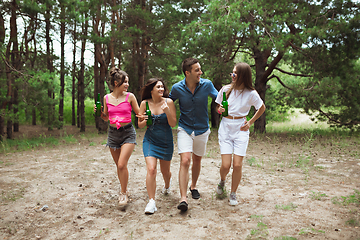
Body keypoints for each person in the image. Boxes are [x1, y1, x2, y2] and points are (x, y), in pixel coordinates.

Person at [169, 58, 218, 212]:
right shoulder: (177, 88)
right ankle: (183, 198)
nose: (200, 72)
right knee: (185, 160)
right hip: (185, 128)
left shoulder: (207, 85)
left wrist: (224, 106)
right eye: (197, 70)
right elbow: (168, 101)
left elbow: (220, 98)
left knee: (197, 159)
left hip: (202, 129)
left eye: (200, 69)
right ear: (187, 73)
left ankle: (193, 186)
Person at [215, 62, 266, 206]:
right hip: (225, 127)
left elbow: (261, 108)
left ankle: (233, 193)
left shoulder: (251, 93)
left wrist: (250, 122)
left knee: (237, 165)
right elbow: (219, 106)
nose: (232, 75)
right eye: (232, 72)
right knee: (226, 165)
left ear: (243, 75)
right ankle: (222, 181)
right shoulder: (225, 89)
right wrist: (220, 110)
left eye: (235, 73)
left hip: (241, 129)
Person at [95, 68, 142, 207]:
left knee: (122, 164)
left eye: (127, 82)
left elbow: (139, 113)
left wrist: (147, 116)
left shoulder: (130, 97)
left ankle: (123, 193)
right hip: (113, 133)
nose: (127, 85)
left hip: (128, 132)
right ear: (116, 83)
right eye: (124, 82)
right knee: (119, 166)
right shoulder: (106, 98)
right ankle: (125, 190)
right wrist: (100, 114)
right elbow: (106, 117)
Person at [138, 78, 177, 214]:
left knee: (165, 172)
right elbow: (140, 125)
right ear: (151, 90)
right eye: (158, 87)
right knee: (152, 169)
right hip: (150, 141)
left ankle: (167, 185)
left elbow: (173, 124)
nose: (161, 89)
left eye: (162, 86)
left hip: (166, 142)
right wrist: (145, 120)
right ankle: (151, 202)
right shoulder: (144, 103)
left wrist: (166, 111)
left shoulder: (169, 102)